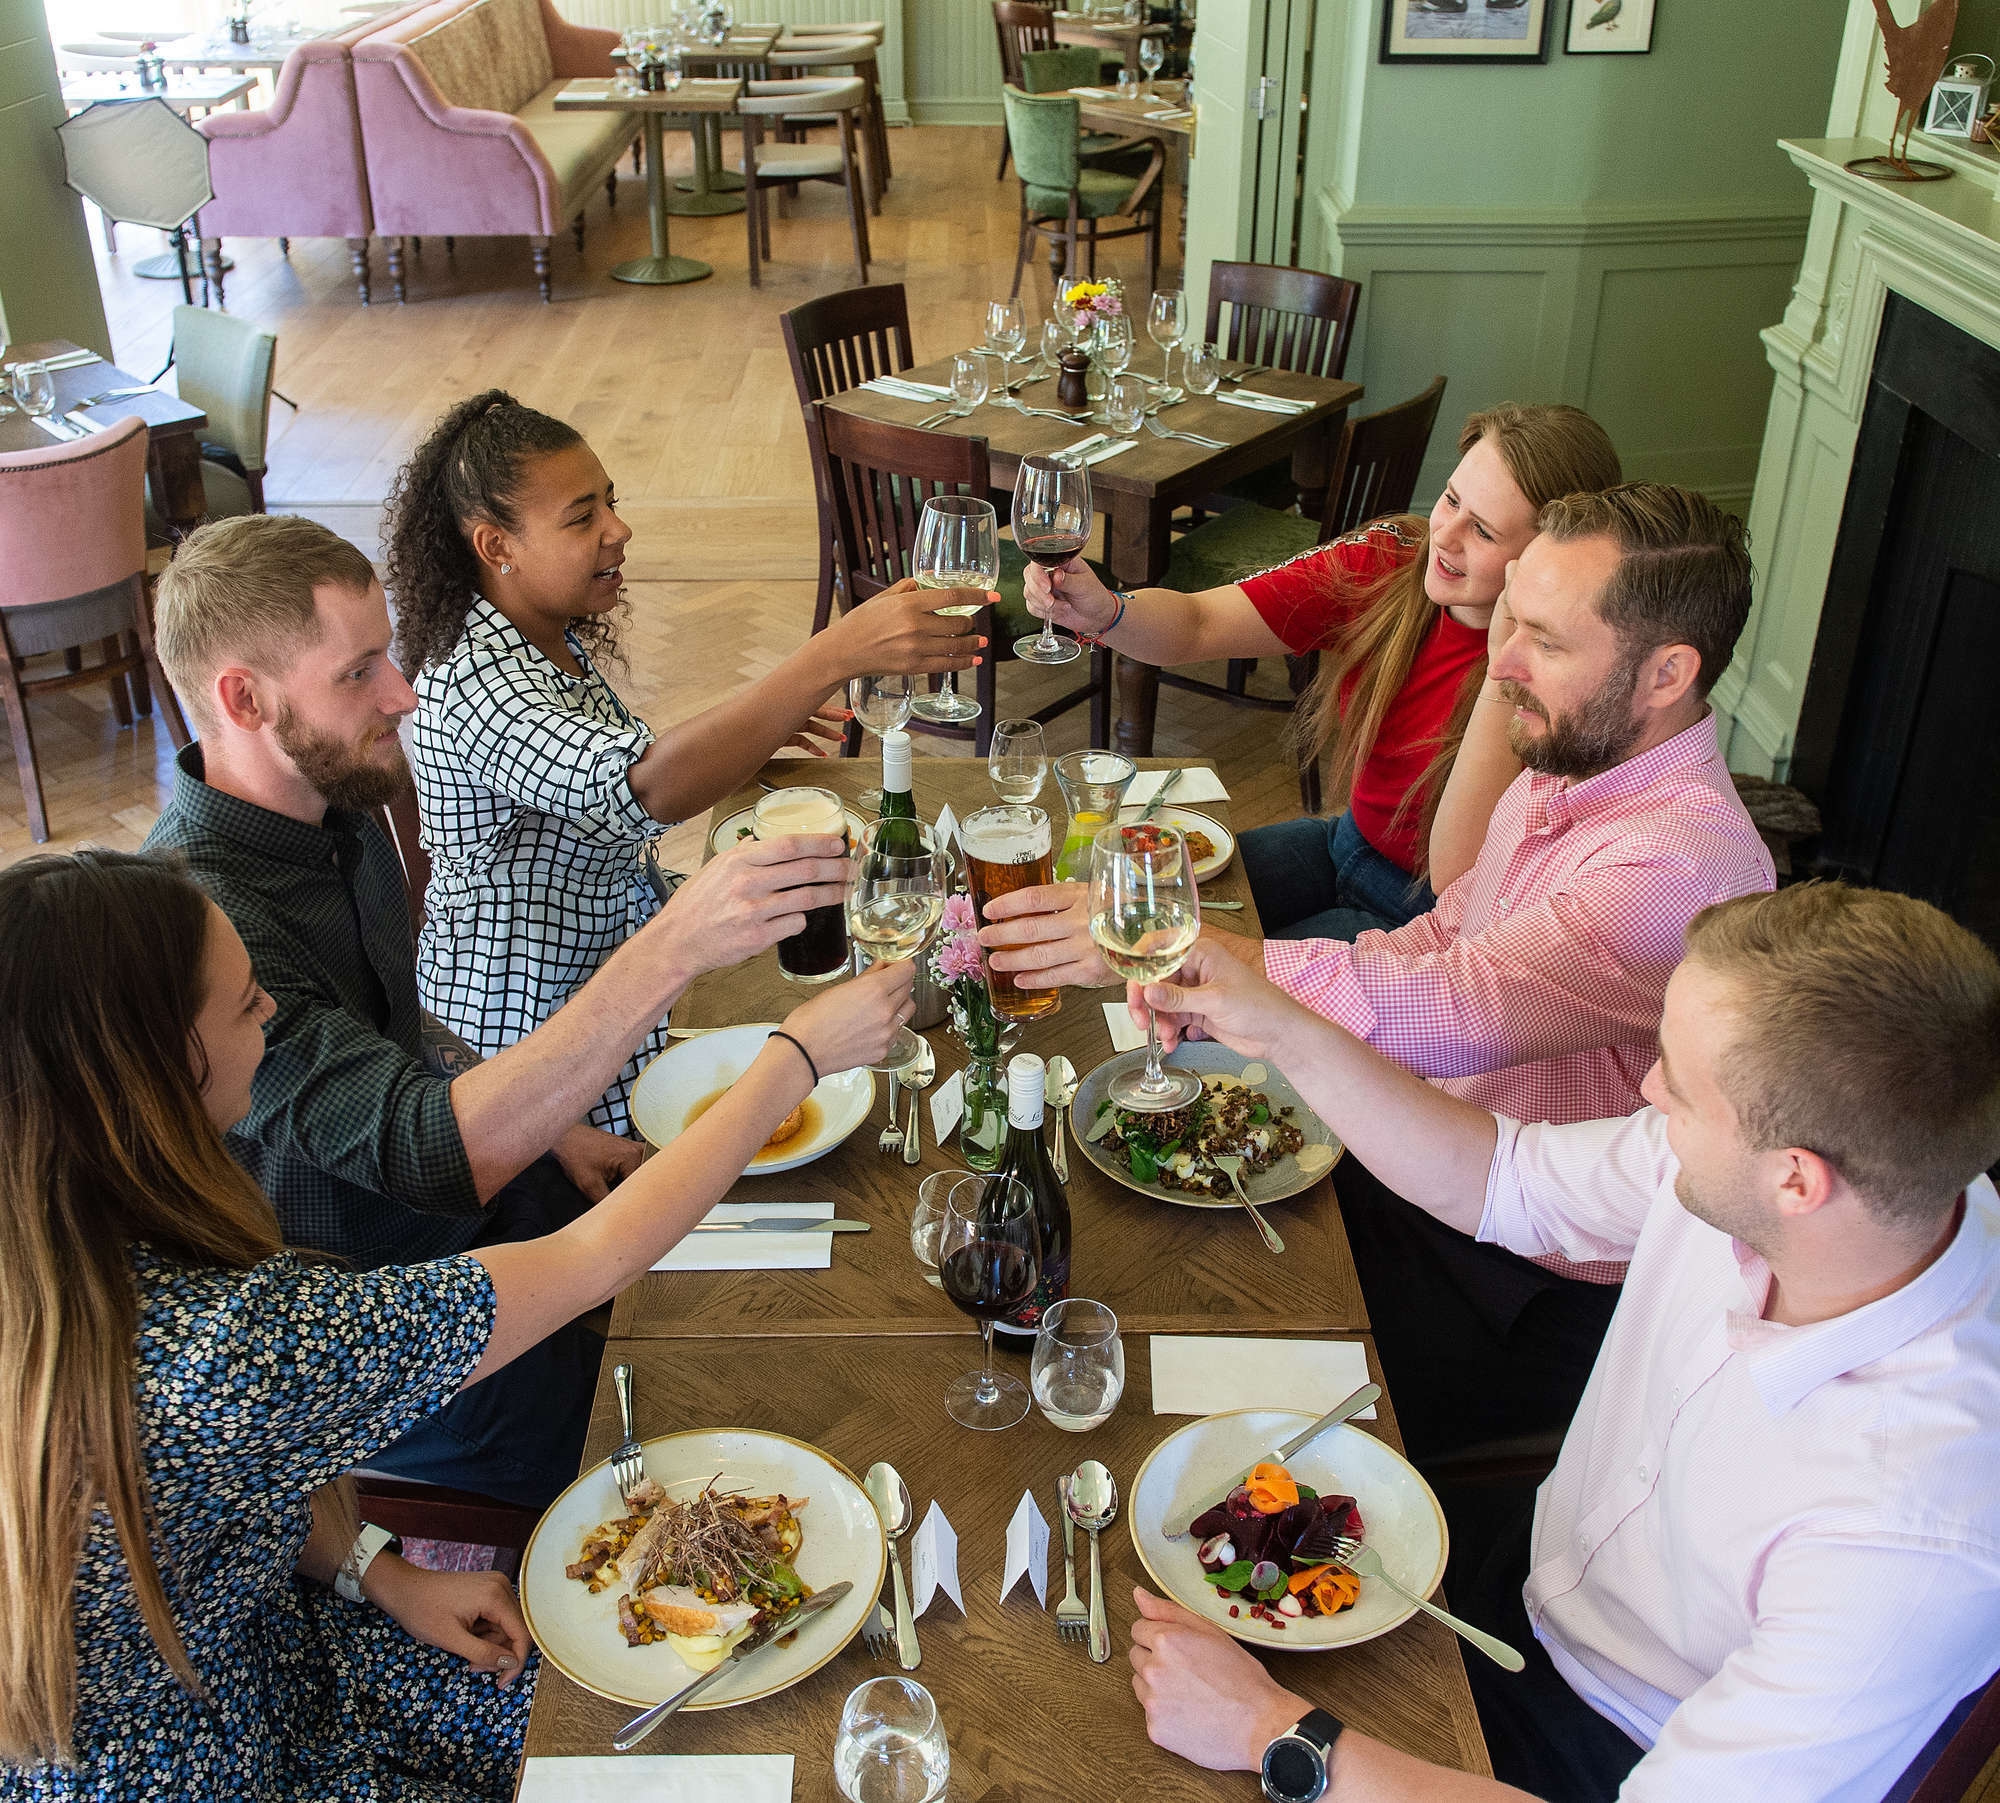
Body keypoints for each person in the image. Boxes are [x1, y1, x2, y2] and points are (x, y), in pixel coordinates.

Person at [0, 848, 911, 1799]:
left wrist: (374, 1570)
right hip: (234, 1756)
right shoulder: (224, 1351)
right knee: (676, 1747)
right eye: (243, 1004)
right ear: (156, 1073)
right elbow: (593, 1257)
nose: (270, 1008)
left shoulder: (59, 1257)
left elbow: (213, 1495)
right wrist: (794, 1059)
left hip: (273, 1642)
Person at [1120, 883, 2000, 1802]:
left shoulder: (1917, 1536)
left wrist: (1272, 1731)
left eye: (1678, 1083)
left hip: (1602, 1749)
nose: (1649, 1089)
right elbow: (1504, 1180)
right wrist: (1276, 1025)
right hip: (1530, 1575)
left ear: (1797, 1182)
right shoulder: (1857, 1184)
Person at [982, 484, 1776, 1460]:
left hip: (1518, 1278)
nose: (1500, 662)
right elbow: (1446, 937)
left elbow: (1462, 1008)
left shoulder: (1675, 865)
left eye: (1545, 640)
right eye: (1509, 622)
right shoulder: (1579, 753)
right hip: (1426, 1157)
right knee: (1131, 1232)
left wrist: (1208, 958)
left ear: (1666, 674)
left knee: (1184, 1371)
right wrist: (1238, 985)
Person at [143, 514, 853, 1507]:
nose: (402, 693)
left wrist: (554, 1129)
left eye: (388, 654)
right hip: (369, 1326)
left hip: (476, 1220)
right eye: (358, 673)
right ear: (243, 699)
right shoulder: (199, 926)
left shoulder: (333, 802)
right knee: (689, 1431)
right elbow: (426, 1149)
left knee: (756, 1282)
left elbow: (403, 1029)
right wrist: (673, 943)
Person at [383, 390, 985, 1136]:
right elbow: (646, 786)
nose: (618, 529)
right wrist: (835, 651)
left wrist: (753, 736)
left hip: (620, 969)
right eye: (582, 518)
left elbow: (616, 778)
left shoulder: (538, 636)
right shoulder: (471, 678)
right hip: (539, 1046)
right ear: (495, 547)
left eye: (611, 502)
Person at [1020, 402, 1621, 933]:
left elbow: (1455, 878)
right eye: (1450, 499)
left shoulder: (1557, 666)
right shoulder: (1388, 560)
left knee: (1209, 992)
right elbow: (1200, 623)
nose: (1446, 535)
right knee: (1125, 909)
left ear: (1549, 556)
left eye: (1484, 531)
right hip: (1345, 843)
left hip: (1426, 917)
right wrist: (1107, 611)